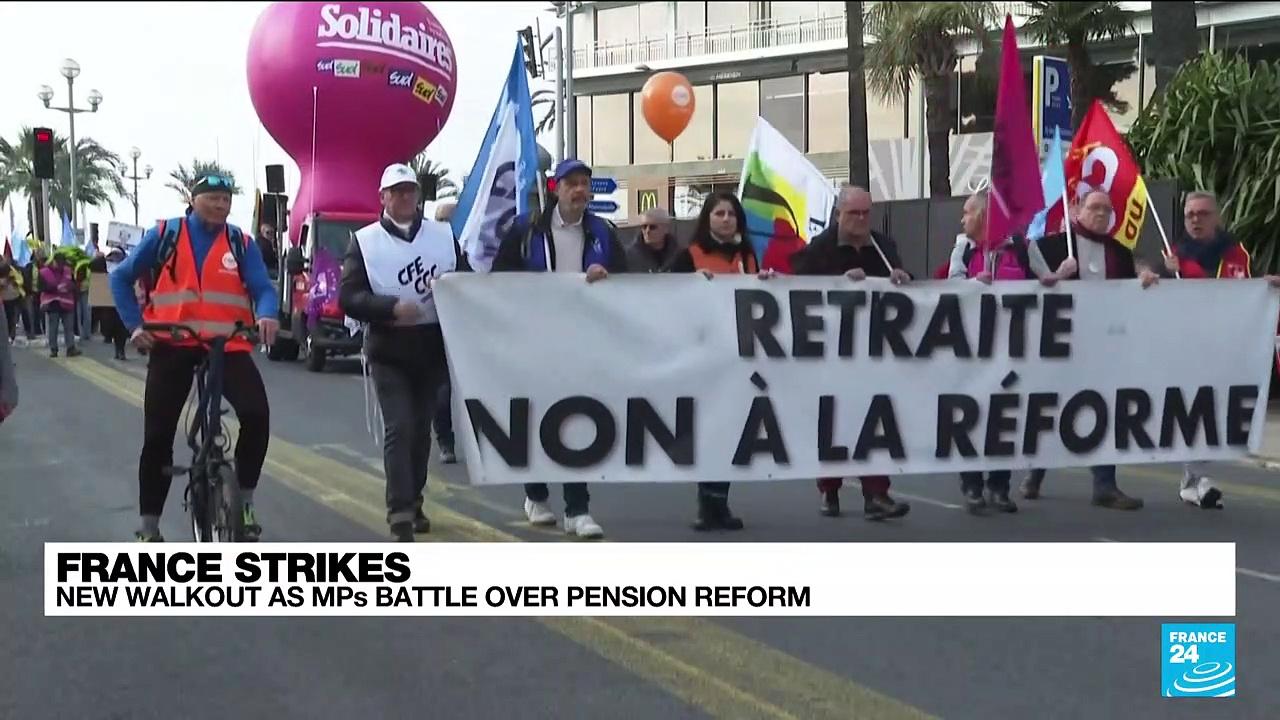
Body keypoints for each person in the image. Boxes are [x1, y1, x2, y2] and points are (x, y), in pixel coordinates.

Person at [110, 174, 280, 542]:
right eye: (214, 198)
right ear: (193, 198)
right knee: (158, 434)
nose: (222, 205)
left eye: (226, 199)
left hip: (226, 344)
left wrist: (267, 313)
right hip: (171, 343)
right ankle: (149, 525)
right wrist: (134, 326)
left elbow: (263, 287)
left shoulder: (240, 241)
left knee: (256, 414)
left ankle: (245, 501)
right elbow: (120, 278)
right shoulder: (164, 234)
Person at [492, 158, 628, 539]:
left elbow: (629, 281)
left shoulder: (603, 231)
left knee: (576, 421)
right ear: (556, 188)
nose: (580, 190)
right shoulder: (526, 229)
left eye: (585, 183)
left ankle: (578, 509)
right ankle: (535, 494)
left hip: (582, 342)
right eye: (572, 183)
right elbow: (498, 280)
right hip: (532, 340)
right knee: (534, 418)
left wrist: (609, 277)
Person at [339, 164, 466, 542]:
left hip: (430, 348)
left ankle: (414, 498)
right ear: (383, 198)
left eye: (410, 190)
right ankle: (399, 512)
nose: (406, 197)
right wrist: (390, 307)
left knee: (421, 432)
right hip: (389, 349)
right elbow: (349, 296)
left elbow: (469, 275)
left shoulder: (443, 236)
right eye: (397, 191)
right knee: (400, 427)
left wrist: (453, 285)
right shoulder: (365, 241)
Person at [789, 185, 912, 521]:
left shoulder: (883, 246)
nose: (861, 220)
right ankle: (829, 489)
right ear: (839, 214)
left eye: (866, 213)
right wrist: (838, 282)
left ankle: (877, 494)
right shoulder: (821, 248)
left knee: (876, 419)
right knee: (835, 419)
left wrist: (902, 278)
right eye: (854, 213)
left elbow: (903, 284)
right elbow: (800, 287)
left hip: (874, 350)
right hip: (832, 351)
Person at [1032, 189, 1160, 511]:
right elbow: (1025, 278)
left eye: (1107, 209)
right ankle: (1034, 473)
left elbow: (1135, 283)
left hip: (1105, 347)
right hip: (1061, 344)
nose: (1102, 214)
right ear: (1077, 210)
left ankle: (1105, 485)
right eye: (1095, 208)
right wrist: (1055, 275)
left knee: (1105, 411)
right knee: (1052, 409)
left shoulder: (1118, 252)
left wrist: (1144, 276)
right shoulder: (1054, 245)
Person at [1161, 191, 1280, 508]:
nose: (1196, 219)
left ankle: (1192, 481)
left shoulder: (1235, 251)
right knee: (1193, 410)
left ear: (1217, 216)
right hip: (1187, 348)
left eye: (1202, 213)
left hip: (1226, 349)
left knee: (1215, 413)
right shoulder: (1171, 254)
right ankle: (1195, 479)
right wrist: (1161, 273)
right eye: (1190, 215)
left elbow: (1243, 292)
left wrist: (1263, 287)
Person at [950, 191, 1064, 514]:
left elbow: (1046, 280)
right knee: (972, 417)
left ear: (986, 216)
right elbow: (951, 285)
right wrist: (973, 283)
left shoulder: (1023, 247)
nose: (963, 219)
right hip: (973, 350)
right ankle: (972, 485)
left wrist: (1061, 275)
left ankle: (999, 487)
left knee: (1004, 417)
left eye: (968, 213)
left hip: (1012, 350)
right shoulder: (964, 248)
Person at [664, 191, 762, 531]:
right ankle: (707, 504)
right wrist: (689, 285)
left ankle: (719, 501)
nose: (725, 219)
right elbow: (661, 294)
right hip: (702, 355)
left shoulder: (747, 256)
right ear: (707, 218)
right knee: (709, 428)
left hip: (737, 355)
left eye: (731, 214)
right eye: (719, 213)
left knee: (731, 429)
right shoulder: (689, 255)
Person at [39, 251, 79, 358]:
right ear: (54, 262)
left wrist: (70, 287)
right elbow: (41, 287)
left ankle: (70, 348)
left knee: (69, 327)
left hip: (67, 302)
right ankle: (53, 349)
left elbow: (74, 284)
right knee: (53, 328)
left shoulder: (67, 270)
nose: (61, 266)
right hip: (53, 303)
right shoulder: (44, 272)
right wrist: (56, 288)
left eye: (63, 263)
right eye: (59, 263)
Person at [625, 207, 681, 272]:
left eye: (653, 227)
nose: (647, 231)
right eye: (644, 227)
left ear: (666, 229)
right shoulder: (629, 256)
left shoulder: (679, 255)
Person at [1, 257, 24, 344]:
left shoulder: (12, 272)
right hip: (11, 296)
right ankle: (10, 335)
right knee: (10, 317)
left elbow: (19, 281)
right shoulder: (12, 271)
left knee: (9, 317)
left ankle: (10, 335)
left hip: (10, 297)